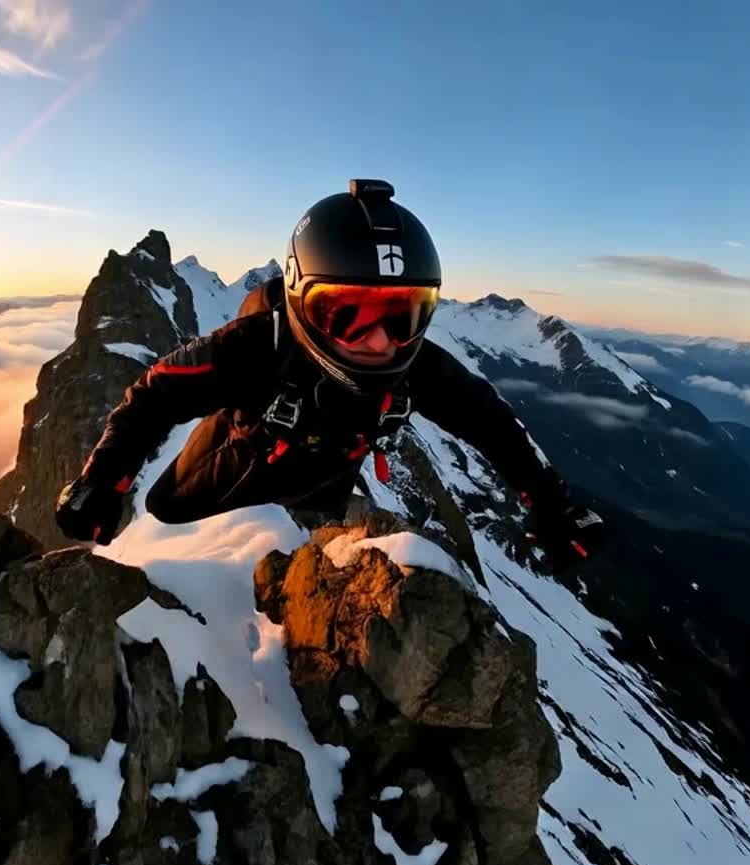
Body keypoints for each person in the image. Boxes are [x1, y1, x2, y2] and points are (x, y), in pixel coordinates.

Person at [55, 179, 604, 571]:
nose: (381, 341)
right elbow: (156, 394)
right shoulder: (257, 347)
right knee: (166, 553)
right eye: (348, 314)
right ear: (299, 299)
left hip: (319, 501)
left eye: (403, 314)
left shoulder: (417, 367)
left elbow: (487, 421)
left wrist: (549, 502)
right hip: (221, 483)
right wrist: (103, 483)